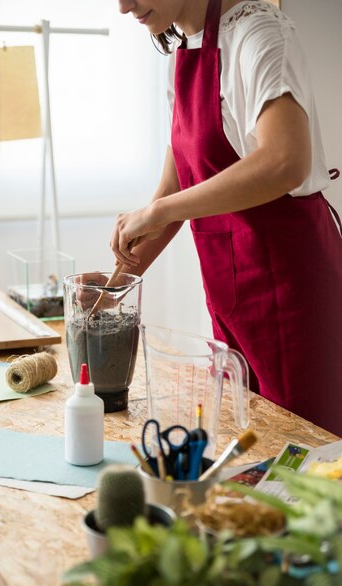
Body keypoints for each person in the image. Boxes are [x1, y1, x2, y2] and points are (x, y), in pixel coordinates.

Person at [111, 0, 342, 436]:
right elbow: (180, 181)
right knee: (251, 439)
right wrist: (111, 290)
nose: (124, 7)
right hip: (233, 297)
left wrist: (158, 210)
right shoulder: (182, 53)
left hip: (295, 293)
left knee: (309, 452)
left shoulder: (259, 35)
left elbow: (285, 161)